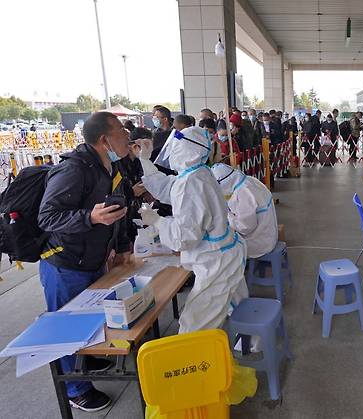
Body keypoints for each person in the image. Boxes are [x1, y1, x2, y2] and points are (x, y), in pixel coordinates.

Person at [38, 112, 132, 411]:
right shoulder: (74, 169)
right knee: (67, 326)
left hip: (93, 258)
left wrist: (121, 247)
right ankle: (75, 388)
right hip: (64, 263)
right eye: (120, 130)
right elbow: (47, 217)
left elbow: (116, 213)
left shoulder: (109, 167)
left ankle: (86, 358)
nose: (127, 134)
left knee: (89, 318)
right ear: (104, 140)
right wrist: (89, 217)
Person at [137, 126, 249, 333]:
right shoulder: (197, 172)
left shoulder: (192, 182)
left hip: (215, 261)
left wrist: (158, 222)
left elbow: (185, 237)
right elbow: (169, 187)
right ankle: (245, 342)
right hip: (225, 252)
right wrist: (145, 161)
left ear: (184, 149)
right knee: (229, 305)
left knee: (193, 325)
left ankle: (207, 361)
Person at [211, 163, 278, 258]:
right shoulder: (249, 181)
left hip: (260, 243)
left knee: (217, 248)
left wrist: (227, 216)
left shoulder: (243, 193)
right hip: (268, 235)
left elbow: (245, 227)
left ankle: (235, 270)